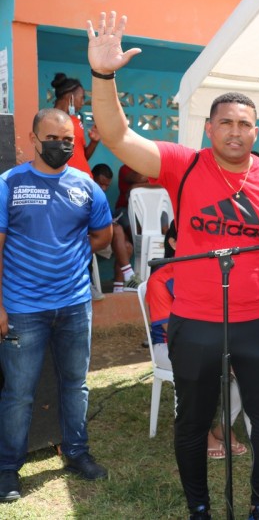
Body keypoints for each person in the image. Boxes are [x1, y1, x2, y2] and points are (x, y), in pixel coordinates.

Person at [88, 11, 259, 520]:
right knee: (191, 421)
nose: (235, 131)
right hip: (196, 321)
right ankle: (199, 509)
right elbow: (118, 137)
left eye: (244, 124)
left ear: (256, 131)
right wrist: (103, 75)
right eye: (225, 122)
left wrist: (257, 281)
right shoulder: (182, 164)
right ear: (209, 128)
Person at [0, 108, 113, 502]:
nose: (61, 146)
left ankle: (77, 453)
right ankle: (7, 468)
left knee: (75, 385)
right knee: (19, 393)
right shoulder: (9, 184)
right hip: (22, 308)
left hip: (75, 304)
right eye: (52, 139)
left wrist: (72, 254)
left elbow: (103, 235)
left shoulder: (86, 186)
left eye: (68, 140)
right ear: (33, 139)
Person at [146, 223, 250, 460]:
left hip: (212, 341)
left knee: (247, 366)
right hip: (170, 345)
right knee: (207, 366)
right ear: (173, 243)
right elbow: (173, 330)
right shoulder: (160, 279)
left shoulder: (211, 272)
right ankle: (202, 433)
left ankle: (223, 427)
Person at [90, 164, 142, 292]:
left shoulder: (102, 198)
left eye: (107, 185)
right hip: (89, 239)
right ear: (92, 178)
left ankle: (118, 290)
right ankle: (129, 276)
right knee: (117, 229)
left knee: (127, 247)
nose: (103, 188)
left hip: (103, 237)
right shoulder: (86, 193)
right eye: (100, 184)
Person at [51, 73, 100, 176]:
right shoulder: (48, 120)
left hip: (83, 180)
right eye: (82, 98)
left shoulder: (76, 121)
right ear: (71, 97)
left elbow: (82, 157)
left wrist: (94, 142)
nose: (83, 103)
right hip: (65, 181)